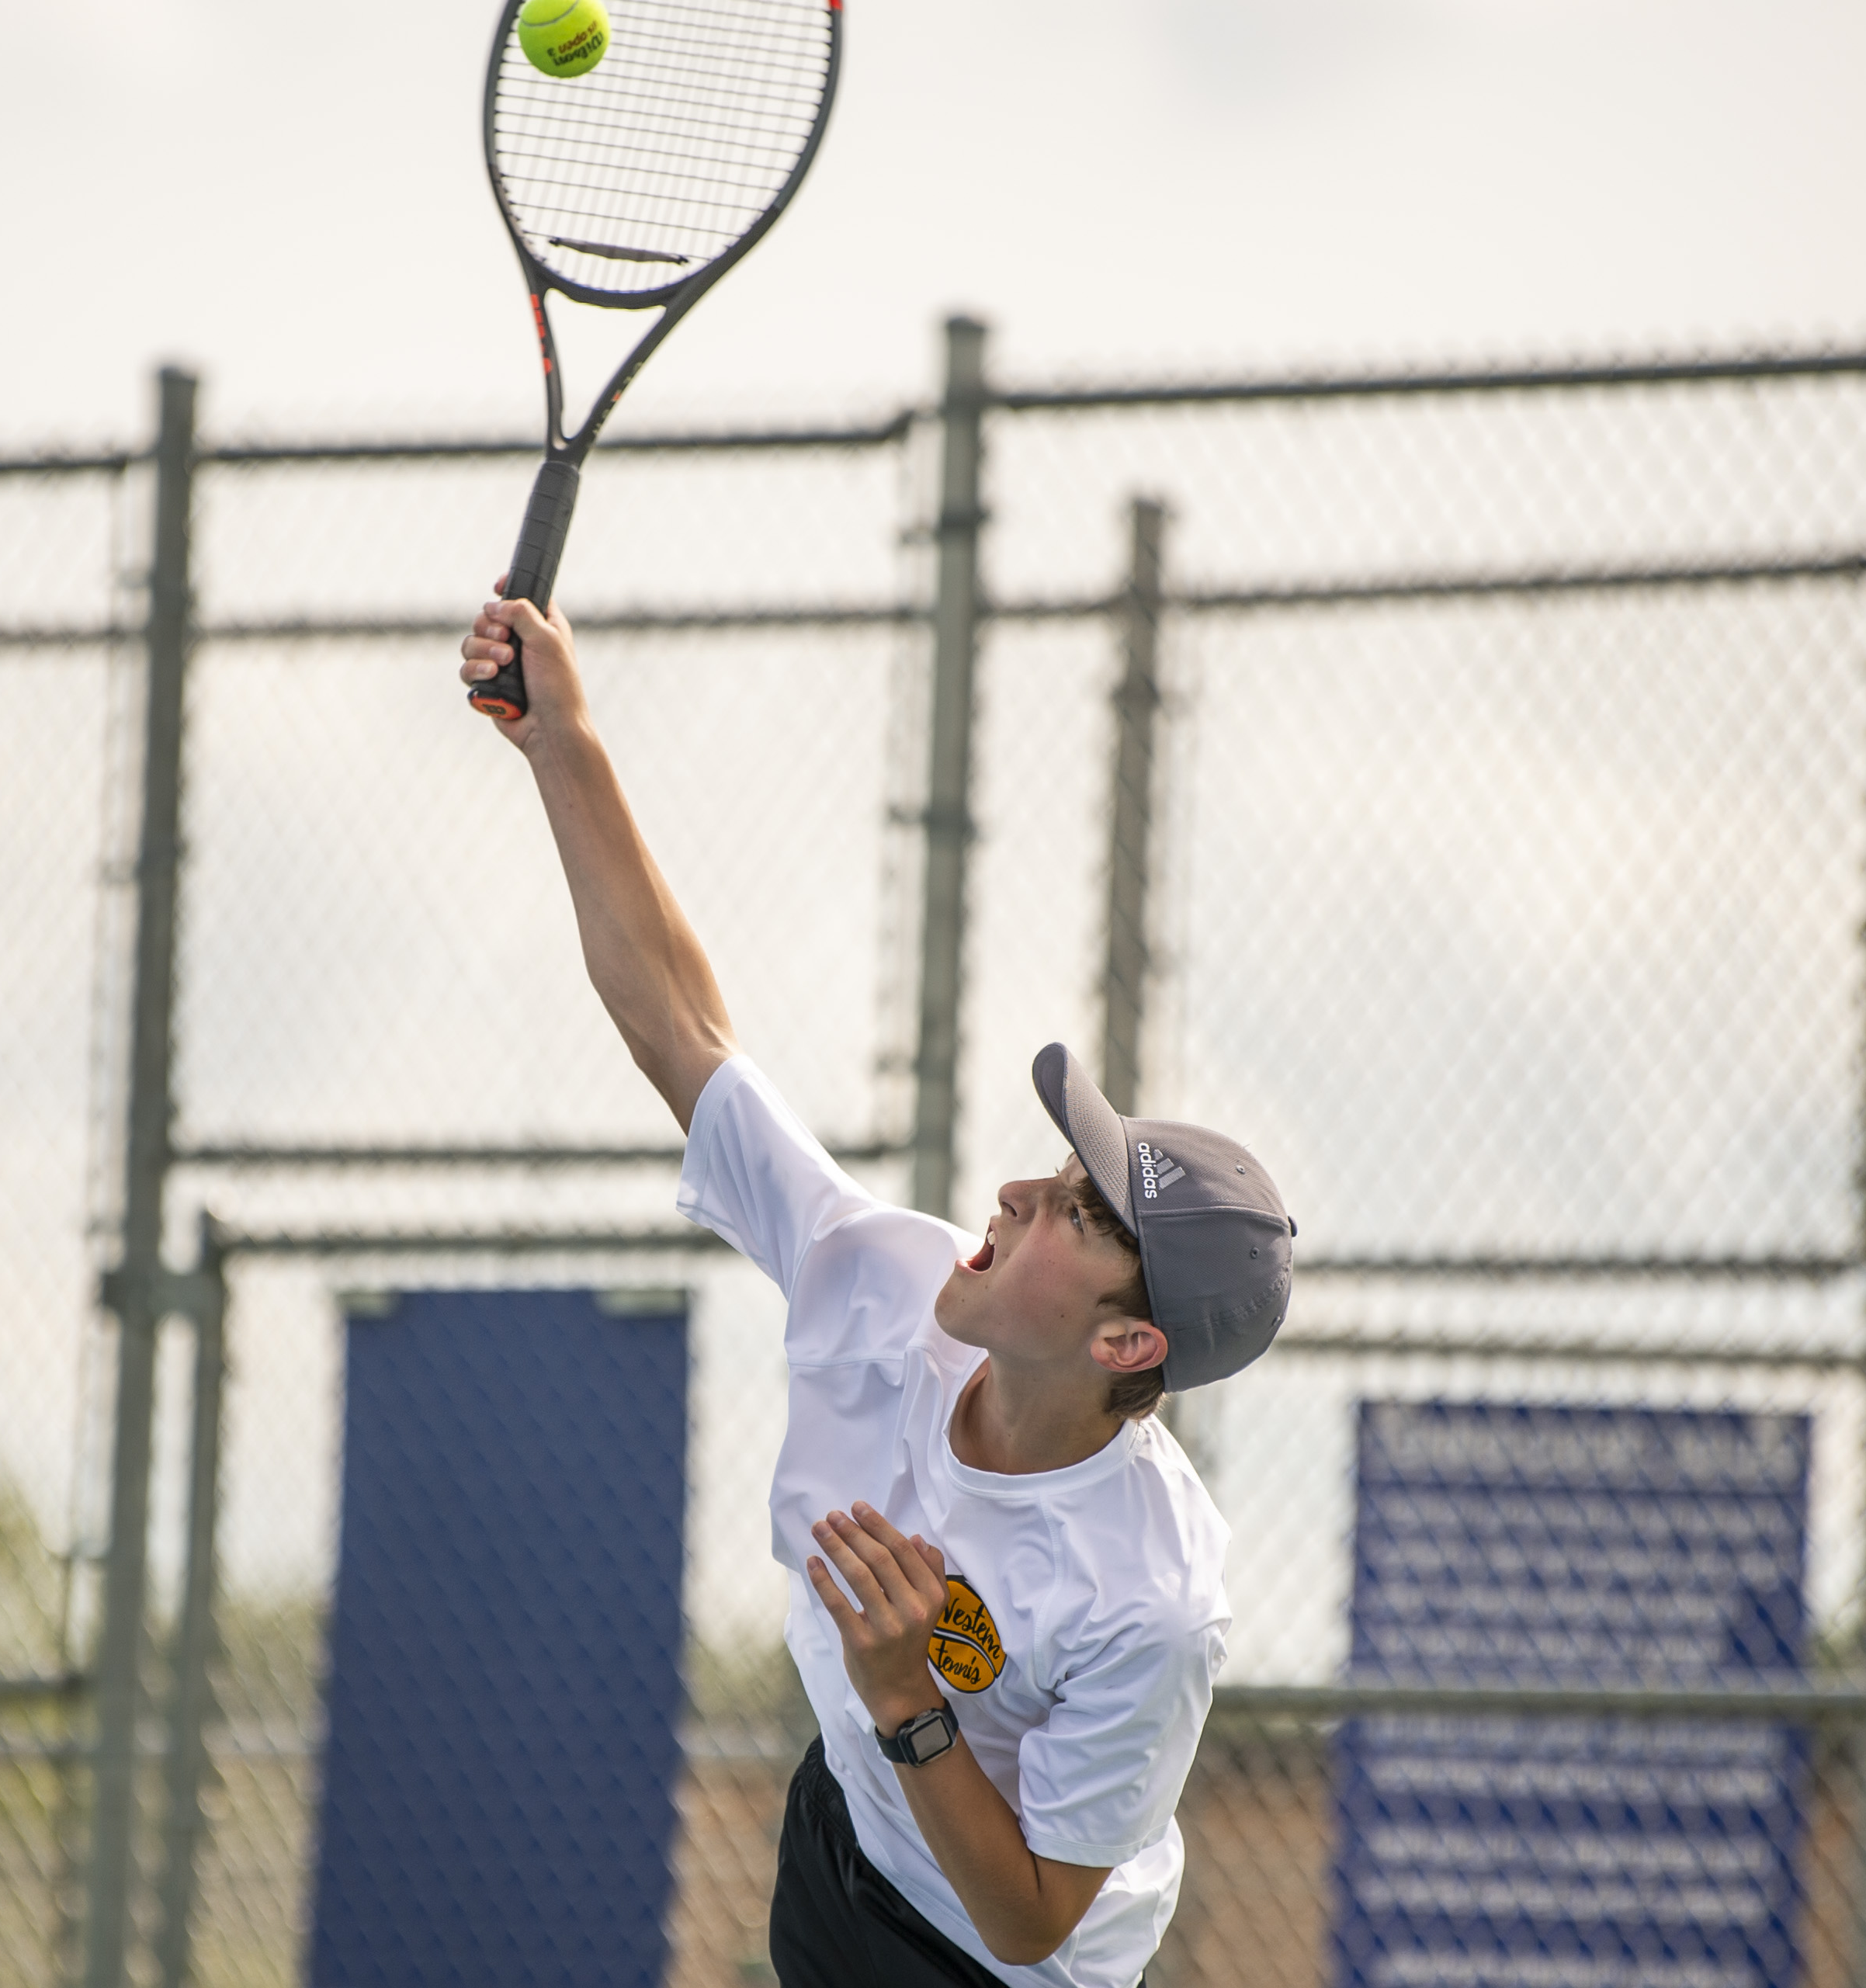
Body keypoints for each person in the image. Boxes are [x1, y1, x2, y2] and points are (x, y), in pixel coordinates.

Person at [461, 588, 1295, 1988]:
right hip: (844, 1840)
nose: (1021, 1192)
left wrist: (909, 1692)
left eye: (1076, 1212)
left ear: (1128, 1335)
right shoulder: (883, 1281)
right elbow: (677, 1024)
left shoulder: (1149, 1596)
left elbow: (1036, 1914)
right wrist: (566, 741)